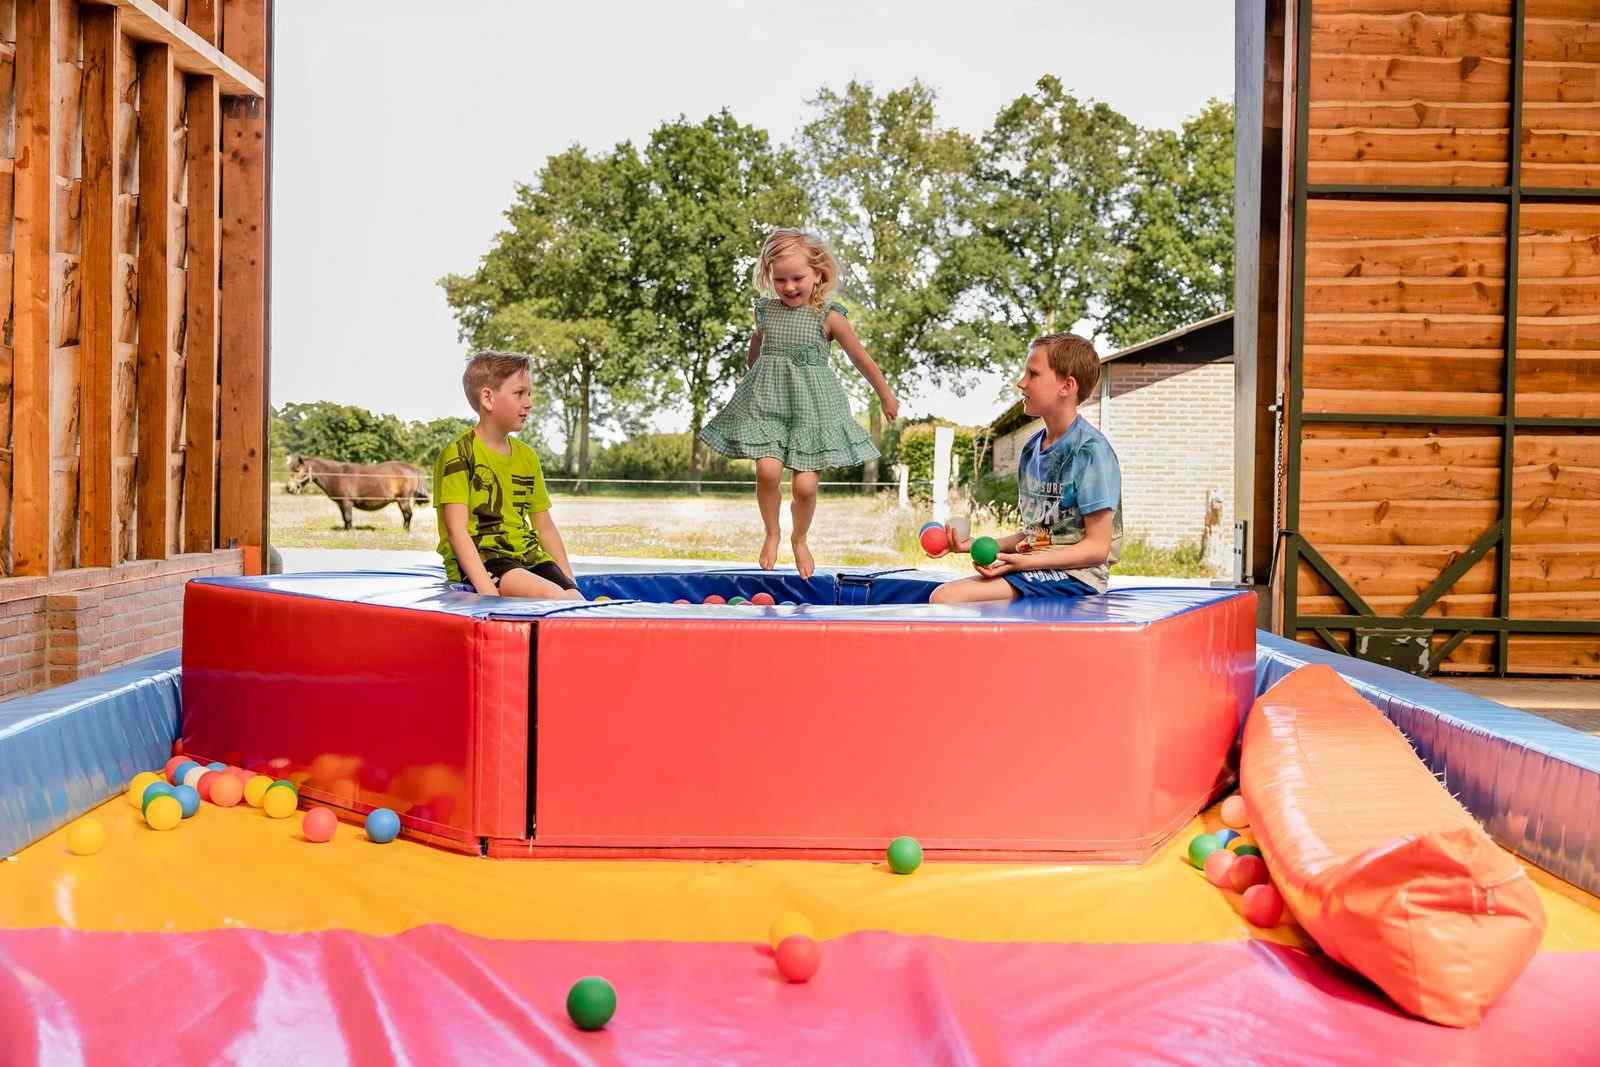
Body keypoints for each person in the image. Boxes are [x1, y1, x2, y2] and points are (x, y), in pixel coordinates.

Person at [700, 228, 898, 579]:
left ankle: (799, 537)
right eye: (780, 280)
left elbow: (860, 358)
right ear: (769, 278)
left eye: (797, 278)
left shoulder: (829, 316)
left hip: (812, 409)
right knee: (767, 471)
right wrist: (751, 376)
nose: (789, 287)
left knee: (805, 486)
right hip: (768, 403)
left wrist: (885, 394)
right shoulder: (766, 312)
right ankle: (772, 532)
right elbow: (756, 348)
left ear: (818, 274)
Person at [931, 332, 1122, 605]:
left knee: (947, 597)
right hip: (1040, 567)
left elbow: (1097, 548)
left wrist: (1023, 563)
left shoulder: (1090, 452)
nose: (1021, 383)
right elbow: (1042, 534)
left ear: (1066, 386)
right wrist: (979, 545)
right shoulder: (1033, 449)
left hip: (1078, 576)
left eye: (1033, 374)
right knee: (945, 593)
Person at [433, 350, 583, 600]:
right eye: (519, 393)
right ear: (488, 399)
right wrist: (488, 592)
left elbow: (544, 527)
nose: (529, 402)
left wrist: (571, 583)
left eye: (530, 394)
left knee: (573, 600)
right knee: (551, 595)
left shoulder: (527, 456)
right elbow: (457, 530)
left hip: (527, 556)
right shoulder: (459, 454)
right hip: (487, 557)